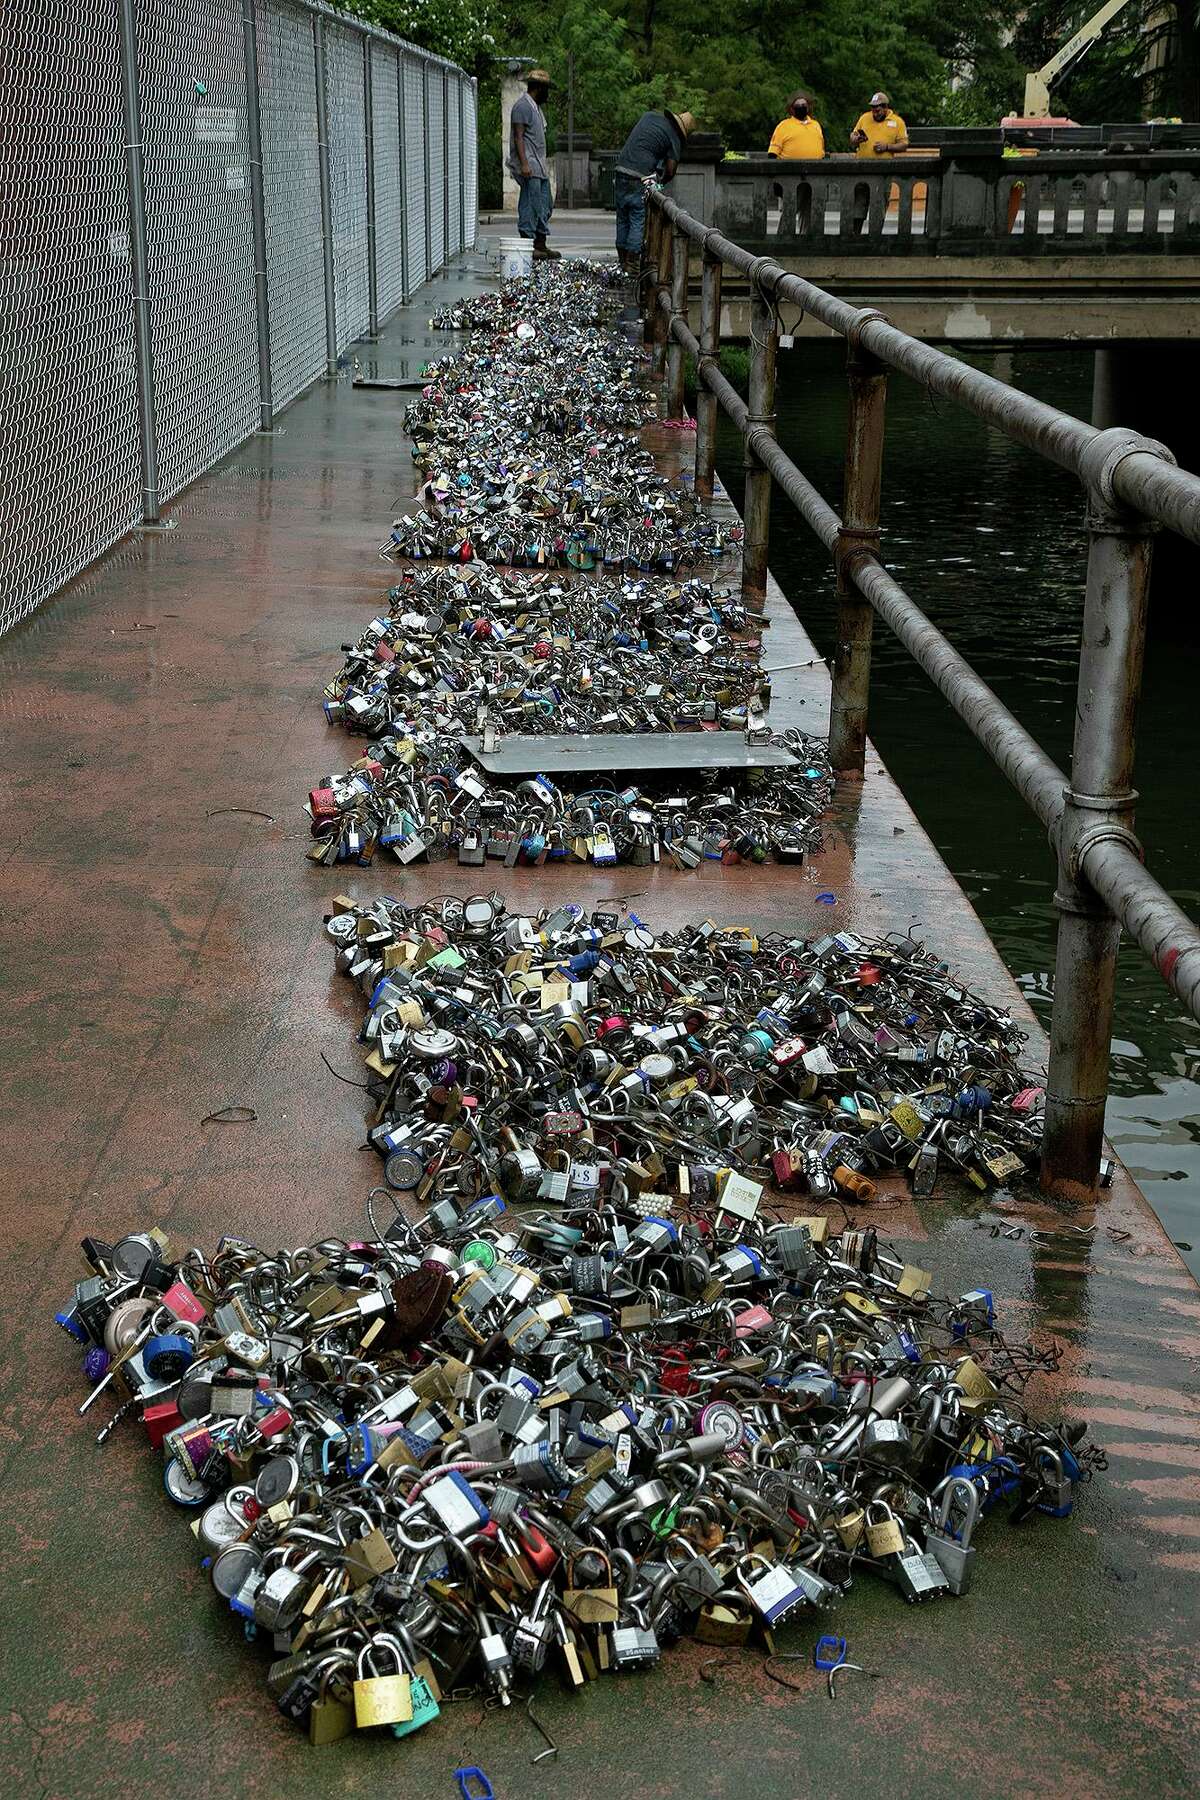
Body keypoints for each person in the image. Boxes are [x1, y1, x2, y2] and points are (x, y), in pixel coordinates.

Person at [613, 109, 696, 275]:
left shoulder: (648, 116)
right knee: (637, 218)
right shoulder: (674, 138)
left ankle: (622, 262)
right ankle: (632, 264)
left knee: (622, 216)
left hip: (620, 169)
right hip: (639, 176)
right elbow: (671, 170)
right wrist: (659, 184)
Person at [508, 69, 559, 260]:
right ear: (539, 88)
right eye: (546, 90)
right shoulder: (522, 106)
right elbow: (518, 136)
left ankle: (540, 242)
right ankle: (528, 242)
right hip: (530, 163)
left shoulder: (535, 107)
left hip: (539, 164)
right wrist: (524, 164)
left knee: (544, 204)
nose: (548, 94)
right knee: (530, 204)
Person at [850, 91, 908, 157]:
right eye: (873, 111)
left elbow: (904, 145)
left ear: (885, 107)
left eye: (878, 111)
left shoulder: (898, 122)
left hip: (884, 165)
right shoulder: (864, 117)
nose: (875, 114)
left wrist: (887, 147)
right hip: (862, 164)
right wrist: (854, 138)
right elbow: (853, 135)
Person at [768, 94, 825, 160]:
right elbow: (772, 153)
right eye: (798, 105)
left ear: (808, 107)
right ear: (792, 109)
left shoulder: (816, 125)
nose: (801, 107)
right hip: (790, 168)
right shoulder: (783, 125)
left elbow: (822, 149)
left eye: (804, 105)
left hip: (817, 167)